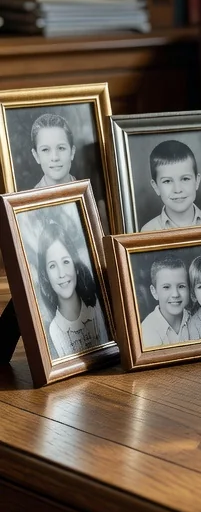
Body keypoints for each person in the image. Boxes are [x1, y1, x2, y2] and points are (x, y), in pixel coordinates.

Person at [34, 217, 111, 358]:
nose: (61, 273)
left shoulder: (98, 309)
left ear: (76, 265)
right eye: (52, 266)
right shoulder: (53, 332)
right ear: (46, 275)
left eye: (66, 261)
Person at [140, 139, 201, 231]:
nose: (177, 189)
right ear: (156, 186)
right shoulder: (148, 231)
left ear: (197, 181)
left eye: (185, 179)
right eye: (167, 181)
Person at [139, 254, 191, 347]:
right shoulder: (146, 331)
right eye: (166, 287)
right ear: (154, 292)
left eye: (181, 286)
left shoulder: (196, 319)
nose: (175, 294)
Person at [30, 113, 77, 188]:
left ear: (72, 152)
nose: (55, 158)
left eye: (61, 148)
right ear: (36, 156)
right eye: (45, 150)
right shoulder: (29, 199)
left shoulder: (91, 194)